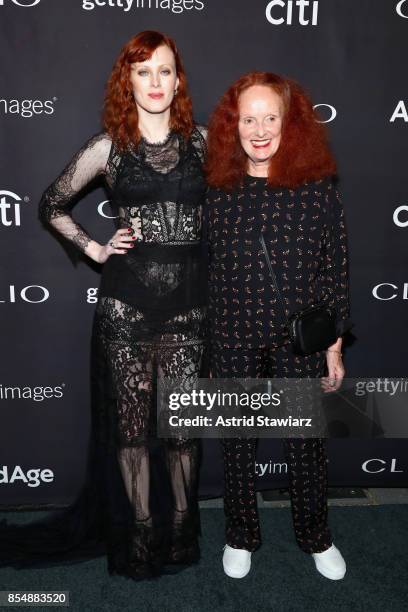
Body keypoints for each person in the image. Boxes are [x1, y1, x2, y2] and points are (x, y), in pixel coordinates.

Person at [0, 30, 208, 580]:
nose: (156, 82)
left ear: (178, 79)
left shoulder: (206, 143)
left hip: (190, 310)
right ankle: (139, 536)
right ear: (128, 80)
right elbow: (51, 203)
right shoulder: (109, 146)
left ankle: (183, 534)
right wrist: (96, 247)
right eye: (144, 72)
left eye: (165, 70)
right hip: (127, 310)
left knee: (183, 432)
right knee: (133, 432)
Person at [204, 72, 352, 580]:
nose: (260, 129)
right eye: (249, 118)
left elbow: (336, 269)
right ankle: (240, 534)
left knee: (306, 442)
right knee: (237, 440)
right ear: (232, 126)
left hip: (298, 338)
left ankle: (316, 536)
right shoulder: (217, 188)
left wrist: (333, 346)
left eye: (272, 117)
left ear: (292, 125)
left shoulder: (316, 189)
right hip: (233, 331)